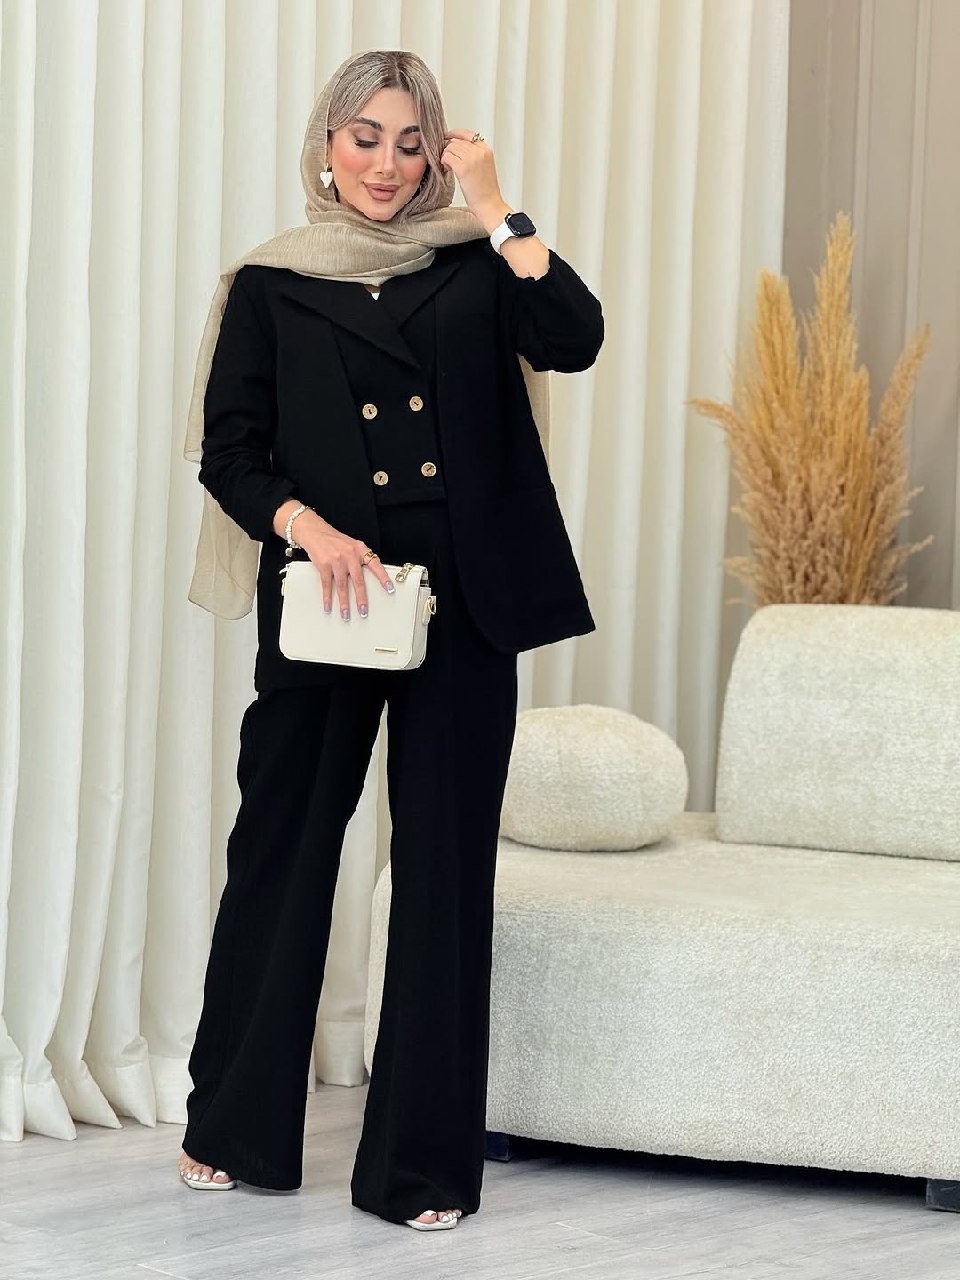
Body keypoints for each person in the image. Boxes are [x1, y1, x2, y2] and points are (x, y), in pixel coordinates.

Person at [176, 48, 603, 1231]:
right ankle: (234, 1127)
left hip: (466, 603)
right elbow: (230, 451)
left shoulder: (478, 262)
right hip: (329, 598)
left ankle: (419, 1166)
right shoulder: (271, 282)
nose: (385, 163)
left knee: (444, 874)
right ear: (327, 144)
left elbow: (574, 336)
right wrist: (306, 526)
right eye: (364, 137)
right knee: (281, 850)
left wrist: (496, 201)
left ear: (435, 155)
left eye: (411, 143)